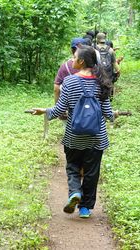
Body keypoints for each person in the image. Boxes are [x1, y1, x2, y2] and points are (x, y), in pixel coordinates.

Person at [30, 45, 119, 218]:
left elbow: (59, 110)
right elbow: (108, 113)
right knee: (92, 172)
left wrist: (44, 111)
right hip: (96, 138)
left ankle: (75, 192)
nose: (72, 60)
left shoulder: (69, 82)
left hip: (73, 137)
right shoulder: (102, 81)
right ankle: (85, 208)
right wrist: (114, 115)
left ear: (81, 61)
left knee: (72, 167)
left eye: (74, 57)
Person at [54, 38, 87, 105]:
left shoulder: (65, 66)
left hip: (71, 105)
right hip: (89, 106)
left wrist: (57, 105)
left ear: (71, 50)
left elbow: (56, 88)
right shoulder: (93, 66)